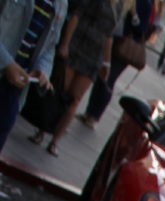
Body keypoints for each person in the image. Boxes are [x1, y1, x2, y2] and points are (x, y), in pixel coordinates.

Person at [29, 0, 127, 155]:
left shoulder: (119, 5)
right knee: (59, 91)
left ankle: (55, 141)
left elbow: (109, 35)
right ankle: (42, 131)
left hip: (94, 55)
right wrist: (65, 43)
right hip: (76, 44)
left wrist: (106, 62)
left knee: (74, 99)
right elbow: (76, 16)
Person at [0, 0, 69, 152]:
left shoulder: (61, 4)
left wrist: (42, 69)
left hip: (15, 88)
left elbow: (49, 47)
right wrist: (7, 64)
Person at [78, 0, 150, 126]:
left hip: (124, 47)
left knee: (109, 79)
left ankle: (95, 116)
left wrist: (134, 14)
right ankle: (89, 112)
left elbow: (142, 30)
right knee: (101, 74)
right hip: (111, 39)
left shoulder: (145, 4)